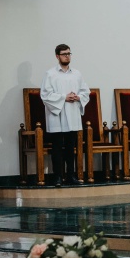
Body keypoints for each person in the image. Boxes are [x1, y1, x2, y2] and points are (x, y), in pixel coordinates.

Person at [40, 44, 90, 186]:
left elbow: (85, 91)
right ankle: (57, 176)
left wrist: (78, 97)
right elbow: (45, 95)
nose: (67, 56)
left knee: (70, 147)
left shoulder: (77, 74)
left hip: (72, 113)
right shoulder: (50, 74)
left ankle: (71, 176)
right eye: (64, 54)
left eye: (69, 53)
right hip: (57, 115)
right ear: (57, 56)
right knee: (57, 147)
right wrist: (64, 97)